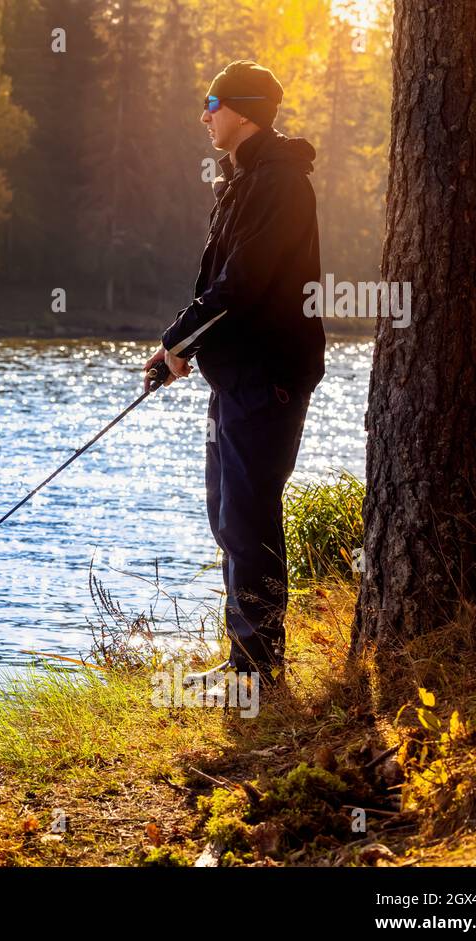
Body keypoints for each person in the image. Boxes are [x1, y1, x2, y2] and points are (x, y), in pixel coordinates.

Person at [144, 59, 326, 693]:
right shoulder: (247, 178)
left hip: (267, 375)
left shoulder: (278, 185)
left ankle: (258, 671)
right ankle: (247, 660)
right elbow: (225, 286)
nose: (204, 114)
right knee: (227, 514)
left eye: (213, 102)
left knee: (248, 517)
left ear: (244, 110)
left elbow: (241, 283)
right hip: (237, 375)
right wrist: (184, 349)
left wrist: (177, 340)